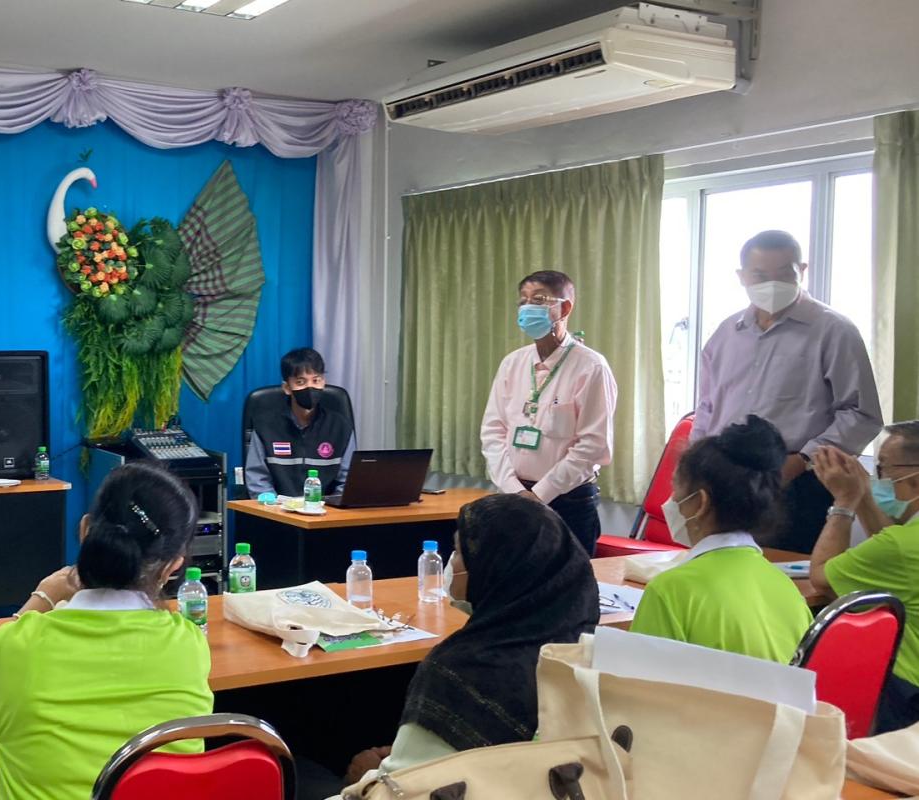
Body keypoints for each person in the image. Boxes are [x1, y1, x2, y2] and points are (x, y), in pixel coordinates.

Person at [0, 462, 213, 800]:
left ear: (85, 530)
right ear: (173, 565)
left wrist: (41, 598)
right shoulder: (189, 645)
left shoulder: (13, 646)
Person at [341, 494, 599, 787]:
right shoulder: (586, 648)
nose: (451, 563)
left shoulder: (464, 669)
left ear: (495, 567)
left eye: (458, 552)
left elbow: (408, 788)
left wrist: (368, 775)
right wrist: (414, 749)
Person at [692, 230, 882, 553]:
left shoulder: (834, 330)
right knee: (722, 566)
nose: (772, 284)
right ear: (742, 277)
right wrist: (697, 462)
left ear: (802, 271)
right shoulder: (726, 333)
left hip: (798, 480)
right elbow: (708, 407)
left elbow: (861, 413)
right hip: (728, 476)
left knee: (788, 574)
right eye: (760, 275)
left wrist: (803, 459)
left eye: (784, 274)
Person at [631, 415, 813, 662]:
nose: (671, 501)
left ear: (700, 503)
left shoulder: (670, 590)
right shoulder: (788, 590)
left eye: (676, 488)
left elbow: (639, 681)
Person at [481, 270, 618, 555]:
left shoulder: (591, 367)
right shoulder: (513, 363)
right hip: (514, 498)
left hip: (569, 503)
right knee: (514, 580)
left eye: (539, 300)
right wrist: (515, 491)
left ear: (564, 308)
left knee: (568, 581)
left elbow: (592, 445)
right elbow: (493, 431)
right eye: (523, 301)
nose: (527, 307)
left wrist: (540, 494)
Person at [809, 421, 919, 733]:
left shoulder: (900, 546)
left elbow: (822, 575)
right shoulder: (902, 543)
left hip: (906, 692)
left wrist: (845, 501)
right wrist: (865, 496)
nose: (877, 478)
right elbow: (889, 548)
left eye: (882, 469)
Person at [245, 347, 357, 497]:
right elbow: (257, 479)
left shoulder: (341, 427)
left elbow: (348, 481)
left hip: (325, 509)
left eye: (316, 380)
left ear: (323, 382)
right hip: (278, 509)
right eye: (301, 382)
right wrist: (273, 506)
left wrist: (332, 507)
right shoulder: (265, 426)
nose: (310, 387)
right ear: (287, 387)